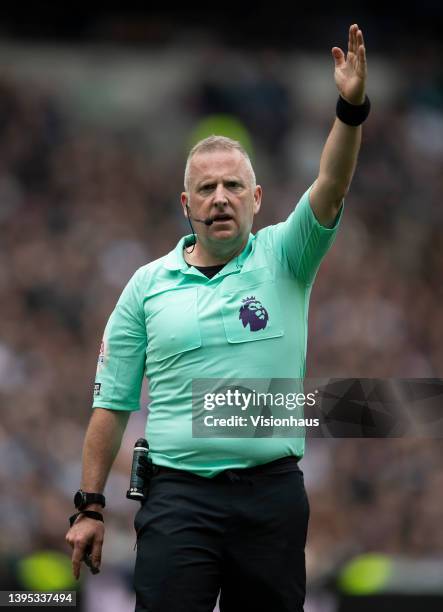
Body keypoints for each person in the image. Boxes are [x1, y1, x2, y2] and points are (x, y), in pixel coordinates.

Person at [66, 23, 369, 612]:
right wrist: (90, 505)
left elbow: (332, 184)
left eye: (234, 185)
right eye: (206, 189)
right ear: (186, 206)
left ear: (257, 199)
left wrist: (351, 108)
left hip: (271, 498)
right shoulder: (145, 287)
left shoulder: (287, 255)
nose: (221, 197)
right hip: (178, 500)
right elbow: (112, 403)